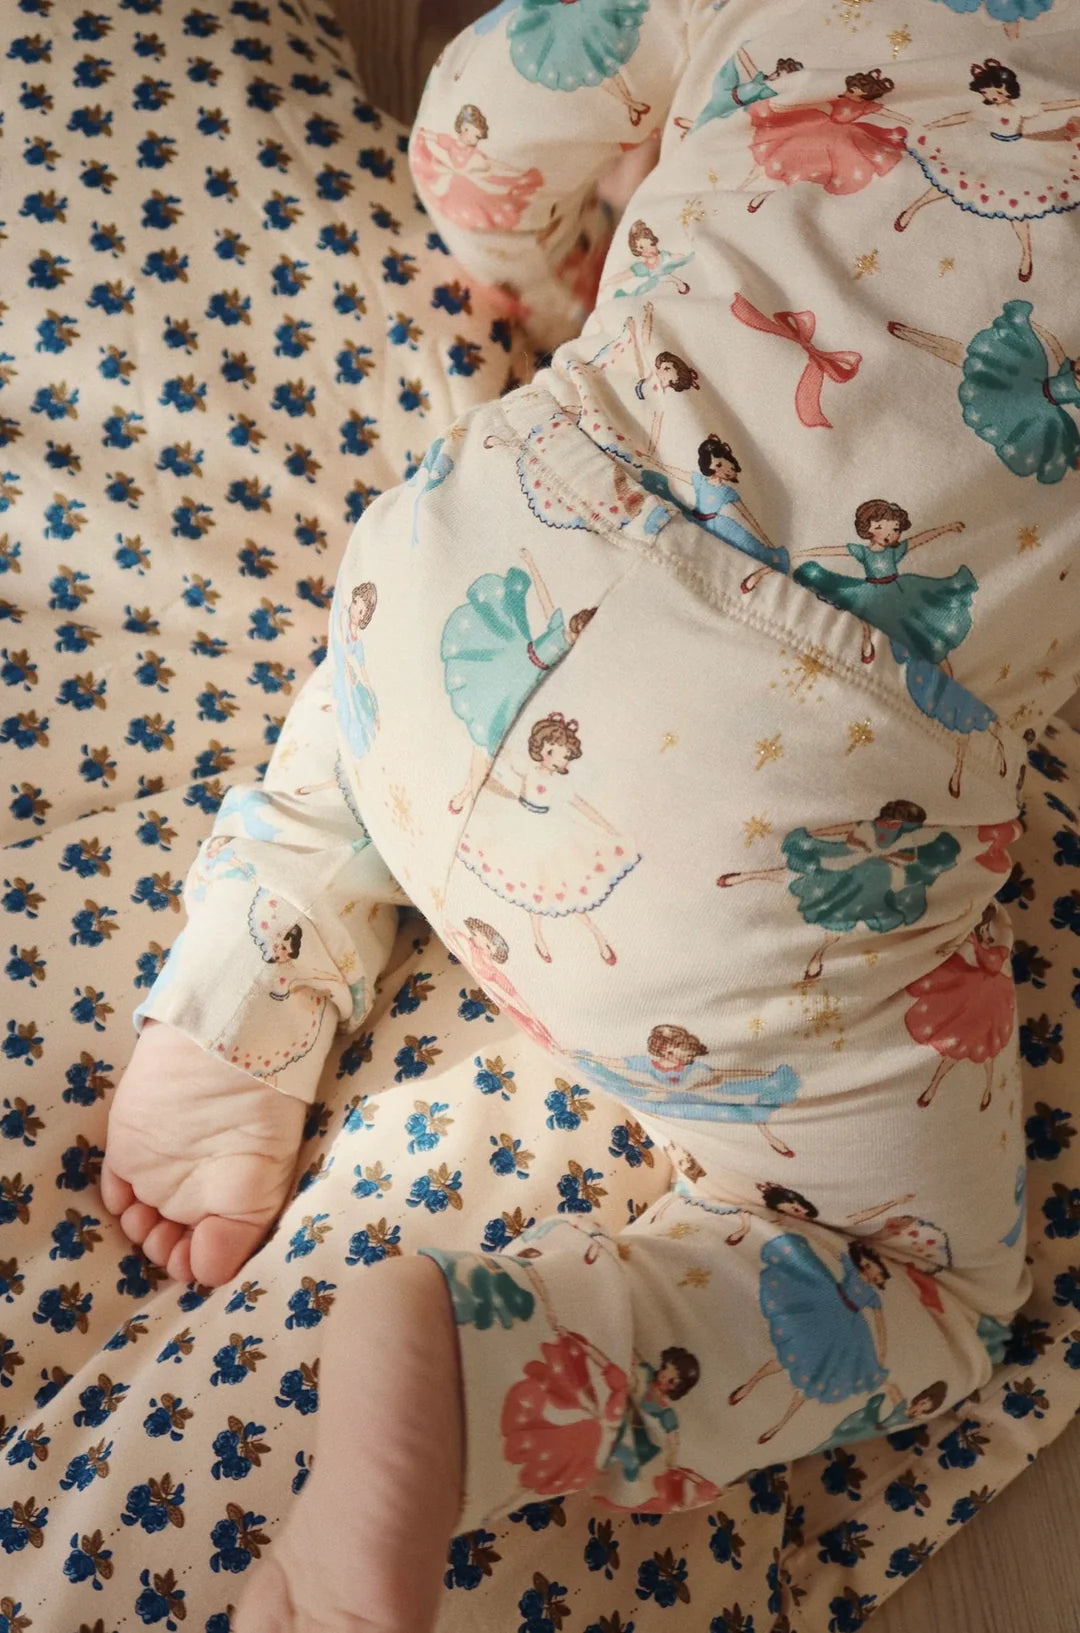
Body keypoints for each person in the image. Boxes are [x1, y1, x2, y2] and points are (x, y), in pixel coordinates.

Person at [99, 2, 1079, 1630]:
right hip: (765, 824)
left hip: (475, 558)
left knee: (377, 709)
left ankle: (253, 967)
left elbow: (480, 124)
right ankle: (488, 1379)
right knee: (926, 1287)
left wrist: (540, 268)